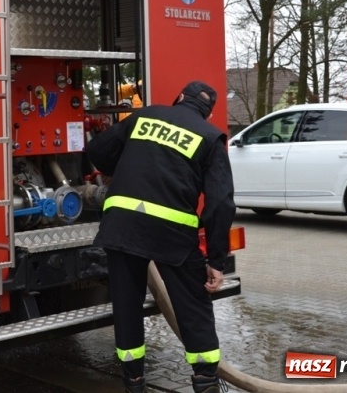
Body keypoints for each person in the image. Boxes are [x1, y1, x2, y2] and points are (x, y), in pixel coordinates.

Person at [85, 81, 236, 393]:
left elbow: (97, 150)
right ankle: (205, 381)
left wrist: (125, 164)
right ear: (207, 113)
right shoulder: (210, 138)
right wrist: (217, 260)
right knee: (193, 308)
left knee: (127, 307)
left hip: (121, 226)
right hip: (173, 236)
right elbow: (221, 203)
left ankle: (134, 382)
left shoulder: (144, 116)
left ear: (179, 98)